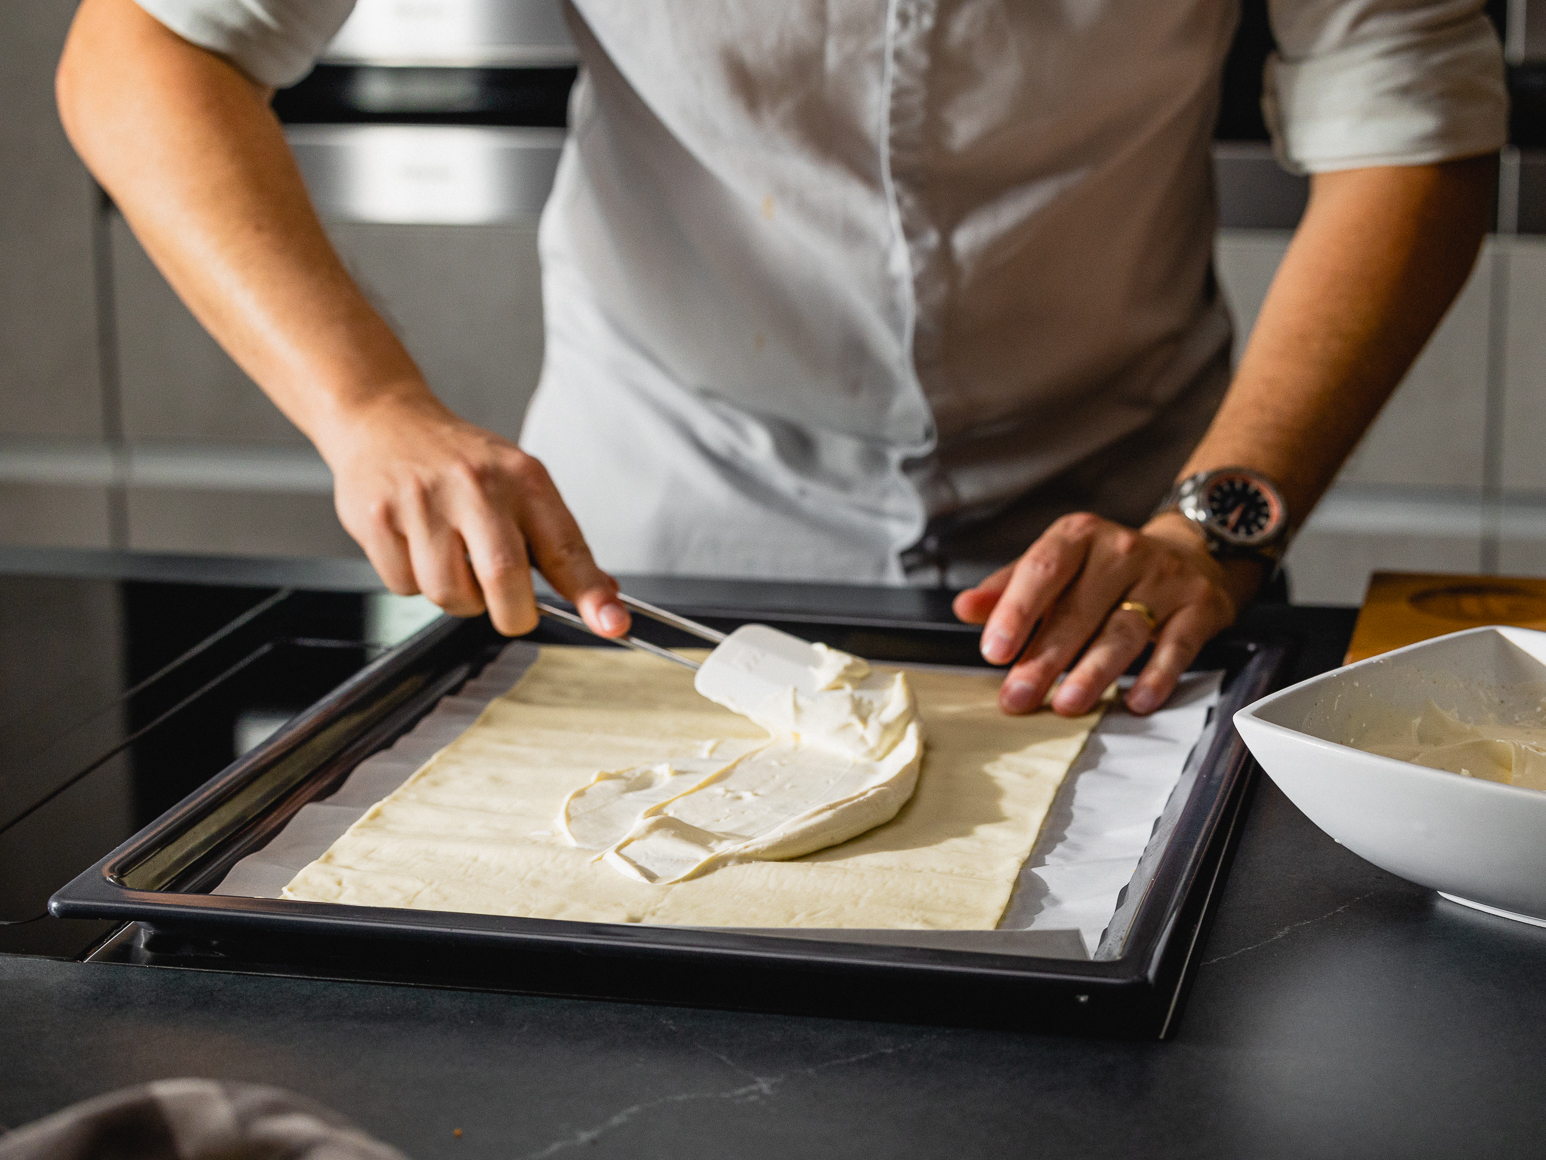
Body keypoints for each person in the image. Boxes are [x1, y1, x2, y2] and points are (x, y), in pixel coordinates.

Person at [56, 0, 1505, 717]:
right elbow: (142, 45)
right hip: (654, 527)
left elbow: (1412, 131)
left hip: (1139, 544)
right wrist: (367, 407)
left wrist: (1208, 533)